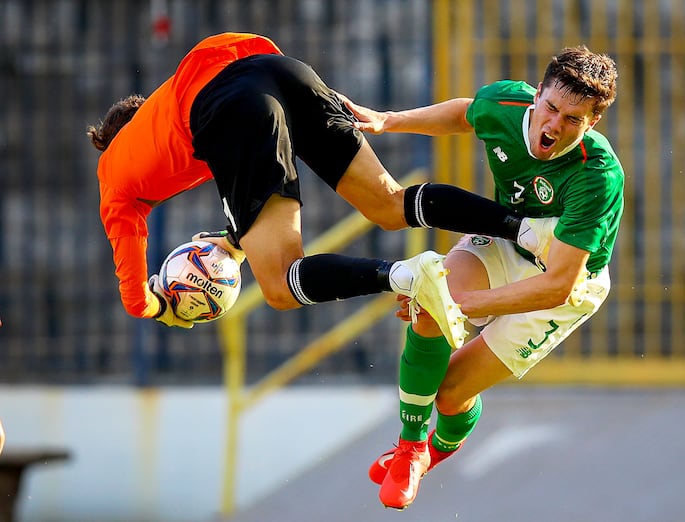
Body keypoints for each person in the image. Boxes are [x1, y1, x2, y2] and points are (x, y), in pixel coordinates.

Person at [87, 32, 548, 349]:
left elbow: (134, 298)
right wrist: (235, 241)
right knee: (389, 203)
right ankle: (526, 229)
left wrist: (160, 306)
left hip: (230, 107)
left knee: (280, 286)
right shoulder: (168, 110)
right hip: (282, 71)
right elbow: (252, 157)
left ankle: (407, 275)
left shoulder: (114, 175)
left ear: (113, 141)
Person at [345, 45, 624, 509]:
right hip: (507, 240)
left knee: (450, 394)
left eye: (573, 119)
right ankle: (411, 446)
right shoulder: (506, 103)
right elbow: (464, 114)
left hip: (564, 284)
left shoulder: (598, 176)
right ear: (537, 94)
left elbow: (558, 284)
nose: (554, 125)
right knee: (431, 300)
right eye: (551, 108)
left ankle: (438, 448)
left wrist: (460, 306)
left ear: (592, 123)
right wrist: (388, 120)